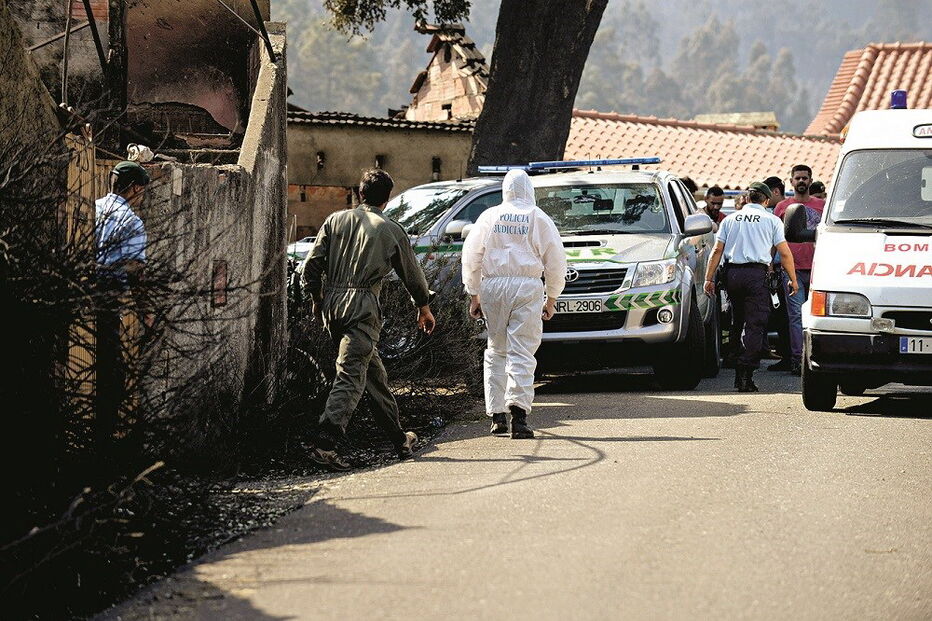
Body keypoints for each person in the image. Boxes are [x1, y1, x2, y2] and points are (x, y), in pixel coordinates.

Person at [301, 169, 436, 471]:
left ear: (360, 193)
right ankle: (325, 444)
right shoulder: (389, 228)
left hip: (332, 307)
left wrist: (317, 299)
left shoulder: (335, 220)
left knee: (372, 375)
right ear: (387, 199)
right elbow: (411, 274)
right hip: (362, 307)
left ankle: (400, 439)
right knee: (350, 375)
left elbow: (309, 268)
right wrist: (423, 305)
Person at [462, 169, 566, 439]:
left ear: (505, 190)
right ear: (529, 190)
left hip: (492, 285)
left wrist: (474, 293)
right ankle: (518, 415)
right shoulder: (538, 217)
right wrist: (552, 296)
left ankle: (497, 416)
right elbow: (555, 260)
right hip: (527, 286)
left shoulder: (489, 216)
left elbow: (471, 255)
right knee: (522, 350)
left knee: (496, 349)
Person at [704, 182, 798, 392]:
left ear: (747, 198)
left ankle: (737, 367)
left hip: (732, 274)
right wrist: (793, 278)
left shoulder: (729, 220)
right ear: (765, 200)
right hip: (756, 275)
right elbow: (784, 253)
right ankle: (745, 374)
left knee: (737, 322)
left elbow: (717, 250)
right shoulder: (772, 220)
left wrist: (708, 278)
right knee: (755, 324)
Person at [94, 161, 152, 450]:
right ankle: (101, 447)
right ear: (136, 188)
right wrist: (147, 314)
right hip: (107, 298)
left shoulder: (91, 209)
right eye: (142, 192)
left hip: (77, 296)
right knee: (111, 376)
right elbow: (135, 271)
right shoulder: (131, 222)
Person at [773, 164, 825, 376]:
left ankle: (818, 358)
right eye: (798, 178)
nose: (801, 181)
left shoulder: (823, 206)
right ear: (791, 181)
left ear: (810, 181)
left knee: (817, 317)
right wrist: (770, 264)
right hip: (791, 270)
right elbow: (773, 239)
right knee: (795, 316)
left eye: (805, 178)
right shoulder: (782, 208)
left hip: (818, 270)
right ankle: (798, 360)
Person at [763, 175, 792, 371]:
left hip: (783, 268)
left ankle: (789, 356)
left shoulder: (780, 212)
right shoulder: (778, 211)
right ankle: (789, 356)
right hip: (784, 267)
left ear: (774, 192)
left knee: (784, 316)